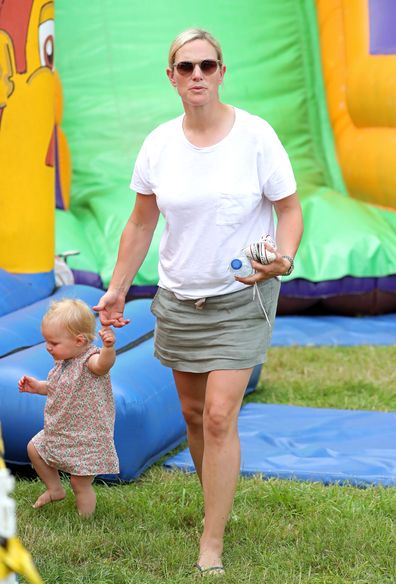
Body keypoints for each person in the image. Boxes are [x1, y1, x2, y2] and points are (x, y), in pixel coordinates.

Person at [94, 28, 303, 575]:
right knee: (191, 413)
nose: (197, 76)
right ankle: (217, 502)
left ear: (222, 71)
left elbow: (289, 209)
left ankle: (212, 539)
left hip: (242, 298)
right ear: (171, 77)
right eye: (186, 68)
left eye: (207, 65)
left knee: (216, 416)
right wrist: (118, 286)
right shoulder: (159, 144)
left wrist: (282, 259)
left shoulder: (256, 136)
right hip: (179, 298)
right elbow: (142, 222)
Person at [18, 298, 119, 517]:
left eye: (53, 343)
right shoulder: (64, 362)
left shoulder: (90, 361)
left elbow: (104, 365)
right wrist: (37, 387)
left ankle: (84, 522)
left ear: (79, 341)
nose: (47, 347)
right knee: (34, 448)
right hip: (62, 431)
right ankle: (54, 488)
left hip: (86, 437)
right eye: (46, 341)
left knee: (79, 483)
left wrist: (108, 348)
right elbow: (58, 387)